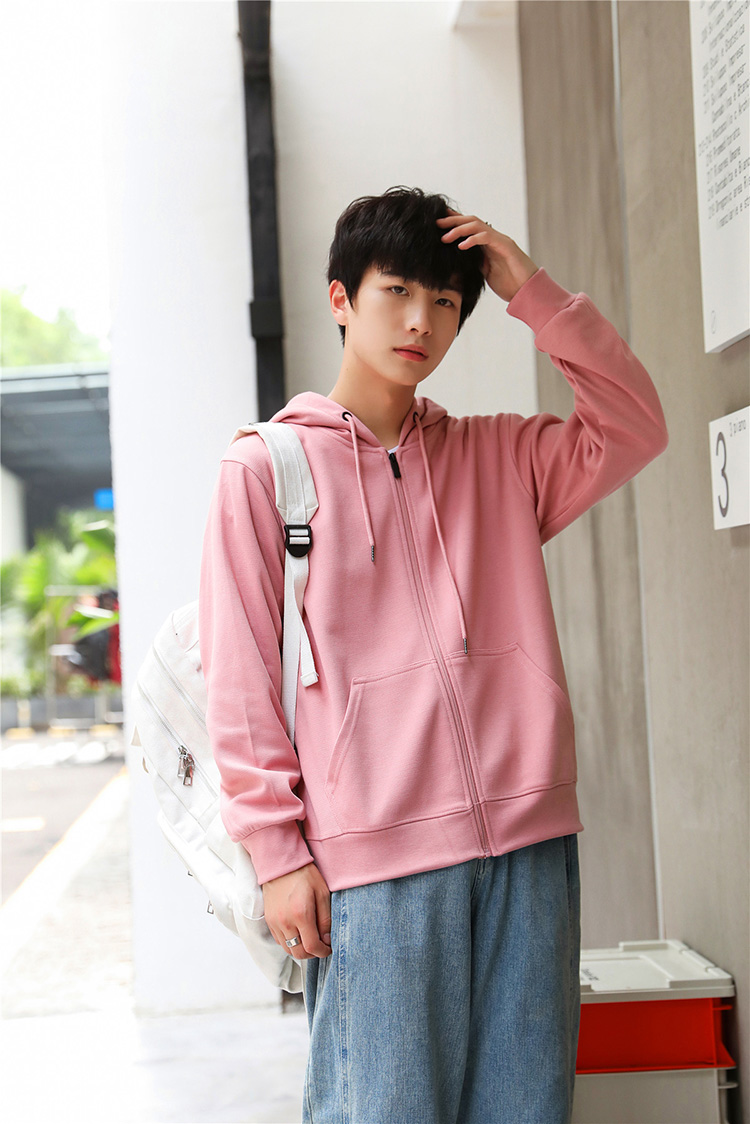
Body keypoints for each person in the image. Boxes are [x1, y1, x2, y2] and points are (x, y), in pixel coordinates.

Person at [198, 186, 668, 1124]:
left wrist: (530, 289)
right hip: (376, 866)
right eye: (398, 291)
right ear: (342, 299)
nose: (421, 320)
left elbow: (633, 424)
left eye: (446, 300)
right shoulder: (264, 472)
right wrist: (277, 852)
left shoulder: (501, 458)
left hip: (529, 847)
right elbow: (240, 678)